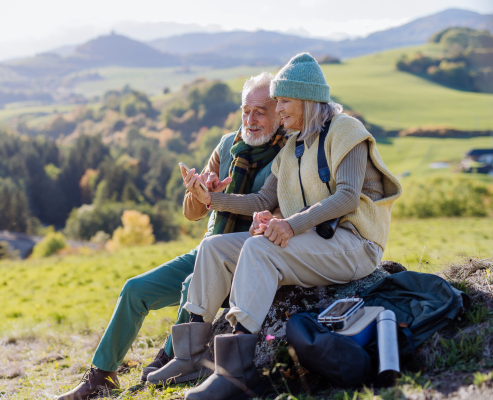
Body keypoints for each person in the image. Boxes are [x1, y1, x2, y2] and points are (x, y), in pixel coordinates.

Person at [147, 53, 403, 400]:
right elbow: (259, 203)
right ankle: (189, 356)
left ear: (307, 100)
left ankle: (236, 372)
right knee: (214, 247)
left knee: (259, 248)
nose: (278, 108)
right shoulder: (292, 147)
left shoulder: (346, 131)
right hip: (318, 243)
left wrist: (291, 225)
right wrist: (210, 200)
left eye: (284, 100)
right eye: (278, 101)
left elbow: (346, 198)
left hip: (356, 246)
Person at [57, 72, 289, 400]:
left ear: (278, 112)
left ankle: (169, 359)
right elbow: (192, 213)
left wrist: (213, 199)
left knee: (188, 286)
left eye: (260, 112)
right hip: (206, 249)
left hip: (247, 258)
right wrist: (198, 191)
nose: (250, 120)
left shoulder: (287, 152)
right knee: (134, 290)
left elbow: (262, 203)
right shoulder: (228, 145)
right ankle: (102, 376)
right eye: (245, 111)